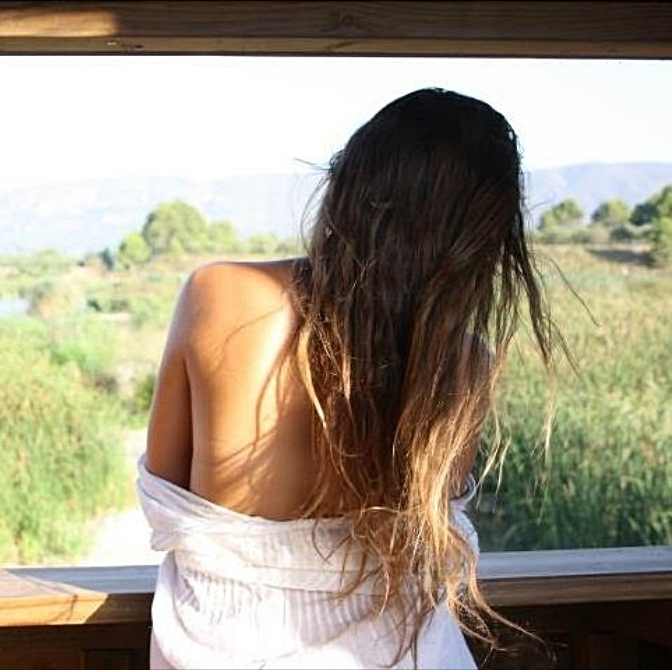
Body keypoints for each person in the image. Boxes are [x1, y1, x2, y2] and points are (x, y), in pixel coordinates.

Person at [138, 88, 556, 669]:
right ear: (481, 240)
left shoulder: (224, 295)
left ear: (347, 185)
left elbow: (165, 495)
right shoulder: (463, 363)